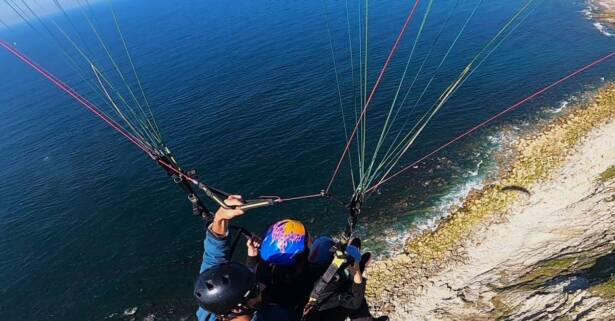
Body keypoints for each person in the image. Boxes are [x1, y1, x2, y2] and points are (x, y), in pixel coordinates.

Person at [194, 196, 304, 321]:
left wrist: (220, 218)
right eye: (256, 290)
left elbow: (213, 258)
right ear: (238, 308)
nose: (262, 287)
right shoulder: (278, 316)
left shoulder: (211, 305)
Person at [302, 237, 387, 321]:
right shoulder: (328, 286)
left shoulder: (305, 270)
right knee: (354, 295)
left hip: (314, 308)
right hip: (328, 311)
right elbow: (355, 302)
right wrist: (357, 273)